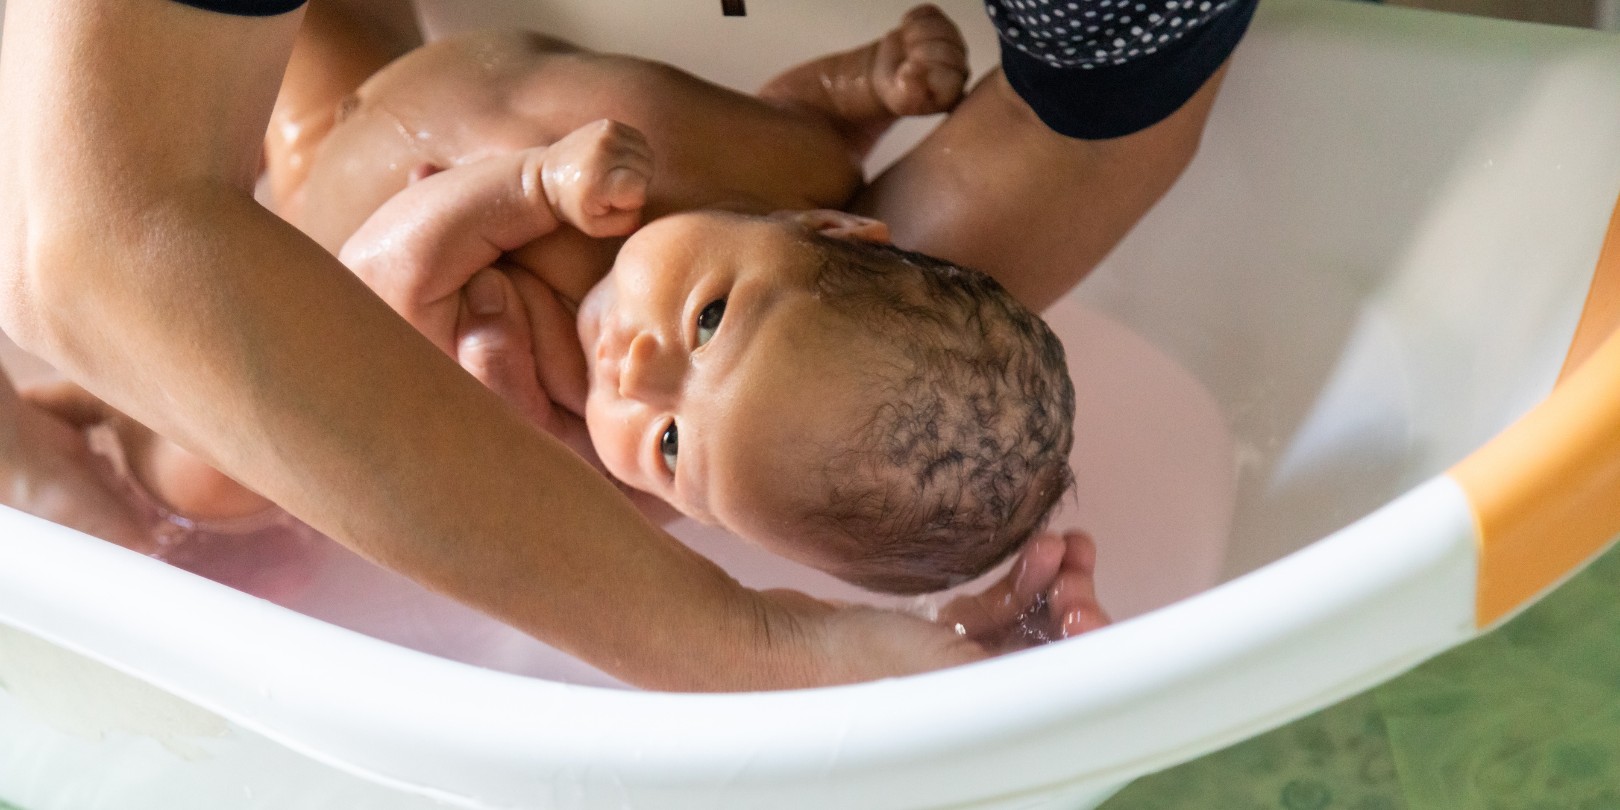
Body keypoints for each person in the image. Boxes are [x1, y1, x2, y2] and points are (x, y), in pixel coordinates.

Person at [0, 0, 1246, 689]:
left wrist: (528, 193)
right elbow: (92, 239)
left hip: (310, 232)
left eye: (662, 444)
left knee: (195, 468)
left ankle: (55, 449)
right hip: (349, 104)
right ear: (830, 227)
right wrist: (863, 81)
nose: (636, 370)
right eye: (710, 320)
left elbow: (368, 285)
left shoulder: (547, 423)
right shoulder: (790, 172)